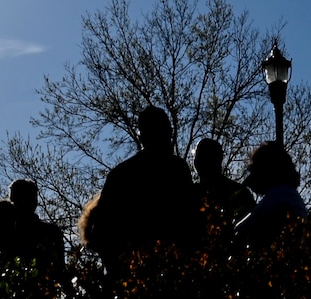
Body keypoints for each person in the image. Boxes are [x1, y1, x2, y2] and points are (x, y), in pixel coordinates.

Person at [87, 106, 197, 265]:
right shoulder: (175, 169)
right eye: (163, 131)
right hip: (148, 270)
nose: (169, 136)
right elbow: (102, 232)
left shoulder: (122, 174)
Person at [234, 141, 310, 244]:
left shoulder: (278, 198)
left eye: (255, 170)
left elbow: (247, 230)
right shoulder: (289, 196)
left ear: (267, 170)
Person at [193, 138, 253, 226]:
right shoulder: (190, 194)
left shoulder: (238, 193)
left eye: (205, 157)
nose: (198, 161)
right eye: (199, 156)